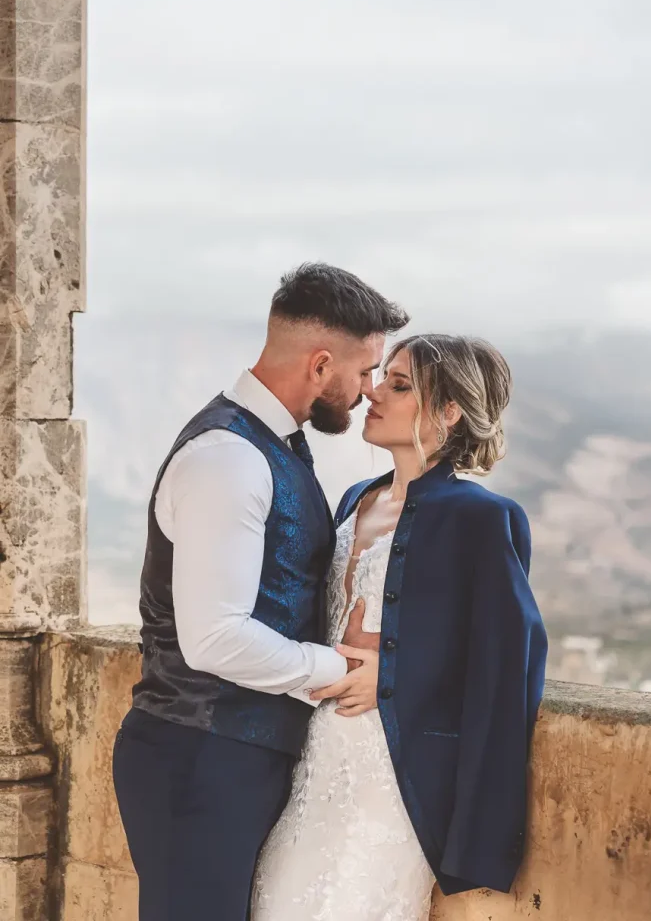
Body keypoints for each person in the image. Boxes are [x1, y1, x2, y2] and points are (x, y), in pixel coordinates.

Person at [111, 263, 409, 921]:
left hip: (227, 756)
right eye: (364, 372)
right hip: (199, 756)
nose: (367, 391)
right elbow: (215, 638)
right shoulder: (229, 458)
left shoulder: (269, 445)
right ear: (321, 364)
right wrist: (337, 669)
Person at [252, 333, 548, 920]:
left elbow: (507, 665)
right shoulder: (354, 500)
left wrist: (397, 677)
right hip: (315, 760)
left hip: (392, 777)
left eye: (400, 384)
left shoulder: (485, 519)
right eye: (382, 378)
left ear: (449, 411)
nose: (373, 394)